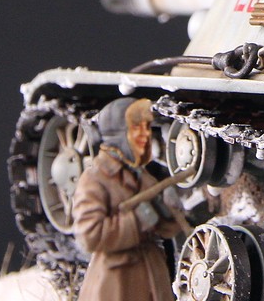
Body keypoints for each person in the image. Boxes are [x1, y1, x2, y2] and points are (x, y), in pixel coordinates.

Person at [72, 98, 184, 301]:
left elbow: (165, 230)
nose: (146, 135)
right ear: (117, 135)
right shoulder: (95, 178)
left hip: (151, 273)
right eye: (137, 128)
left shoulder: (142, 175)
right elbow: (89, 235)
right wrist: (137, 220)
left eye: (147, 127)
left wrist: (168, 213)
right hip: (117, 280)